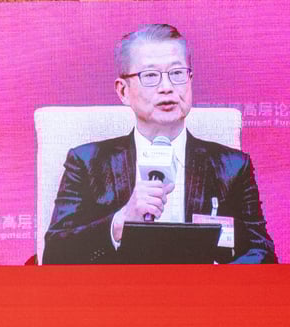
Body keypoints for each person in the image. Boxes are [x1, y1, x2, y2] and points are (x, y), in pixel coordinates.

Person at [43, 23, 276, 264]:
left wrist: (215, 282)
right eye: (151, 76)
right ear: (123, 91)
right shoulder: (88, 162)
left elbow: (262, 252)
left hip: (202, 297)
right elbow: (54, 254)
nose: (167, 88)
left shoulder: (232, 167)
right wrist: (119, 221)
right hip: (117, 297)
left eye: (177, 73)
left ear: (190, 80)